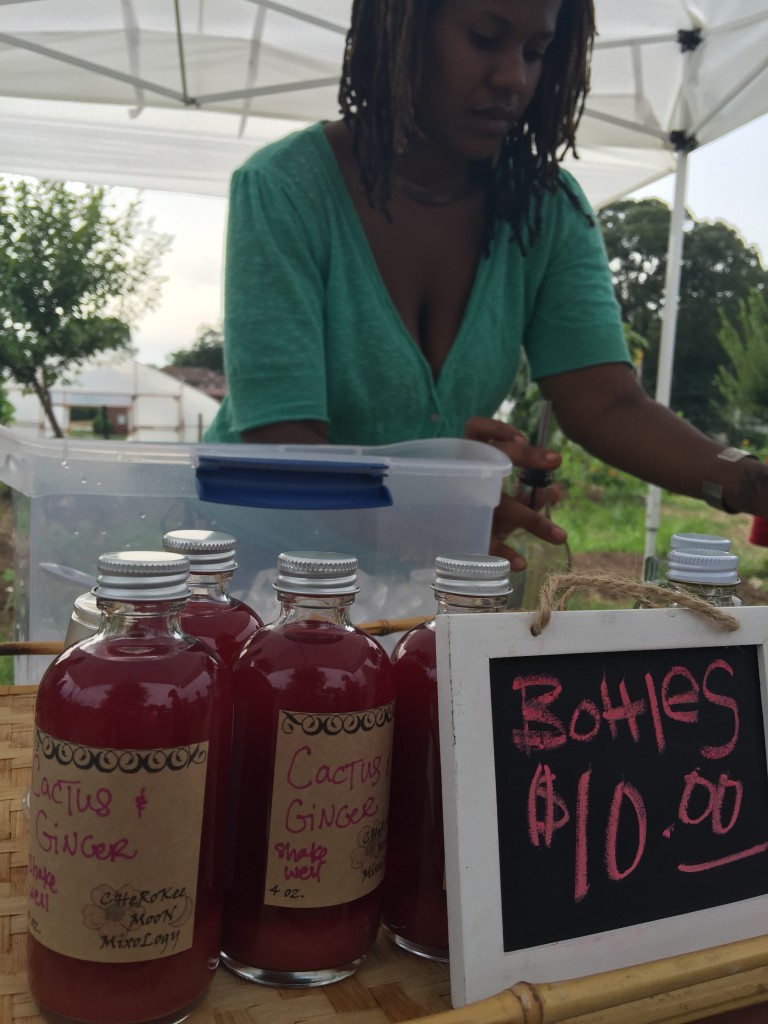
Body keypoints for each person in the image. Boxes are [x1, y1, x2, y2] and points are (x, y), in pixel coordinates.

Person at [204, 0, 768, 572]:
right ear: (399, 34)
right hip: (254, 569)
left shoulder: (546, 208)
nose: (513, 78)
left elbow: (608, 402)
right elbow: (282, 438)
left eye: (536, 52)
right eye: (483, 38)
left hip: (417, 578)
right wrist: (438, 510)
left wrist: (751, 482)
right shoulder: (284, 188)